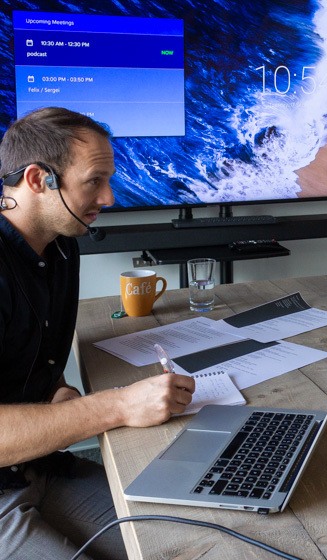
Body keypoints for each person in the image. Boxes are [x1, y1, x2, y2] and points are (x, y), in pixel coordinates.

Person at [0, 107, 196, 559]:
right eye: (94, 181)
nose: (108, 197)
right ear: (37, 179)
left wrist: (65, 398)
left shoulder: (62, 247)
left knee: (188, 537)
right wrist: (118, 405)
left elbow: (38, 370)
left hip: (41, 466)